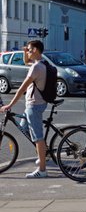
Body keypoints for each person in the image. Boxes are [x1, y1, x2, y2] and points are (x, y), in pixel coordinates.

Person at [0, 40, 49, 178]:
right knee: (24, 128)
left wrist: (10, 105)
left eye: (30, 50)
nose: (28, 52)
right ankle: (43, 154)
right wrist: (24, 51)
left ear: (36, 50)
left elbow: (21, 89)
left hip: (34, 105)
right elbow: (26, 61)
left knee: (38, 137)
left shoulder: (36, 68)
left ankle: (42, 169)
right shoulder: (40, 64)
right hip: (36, 104)